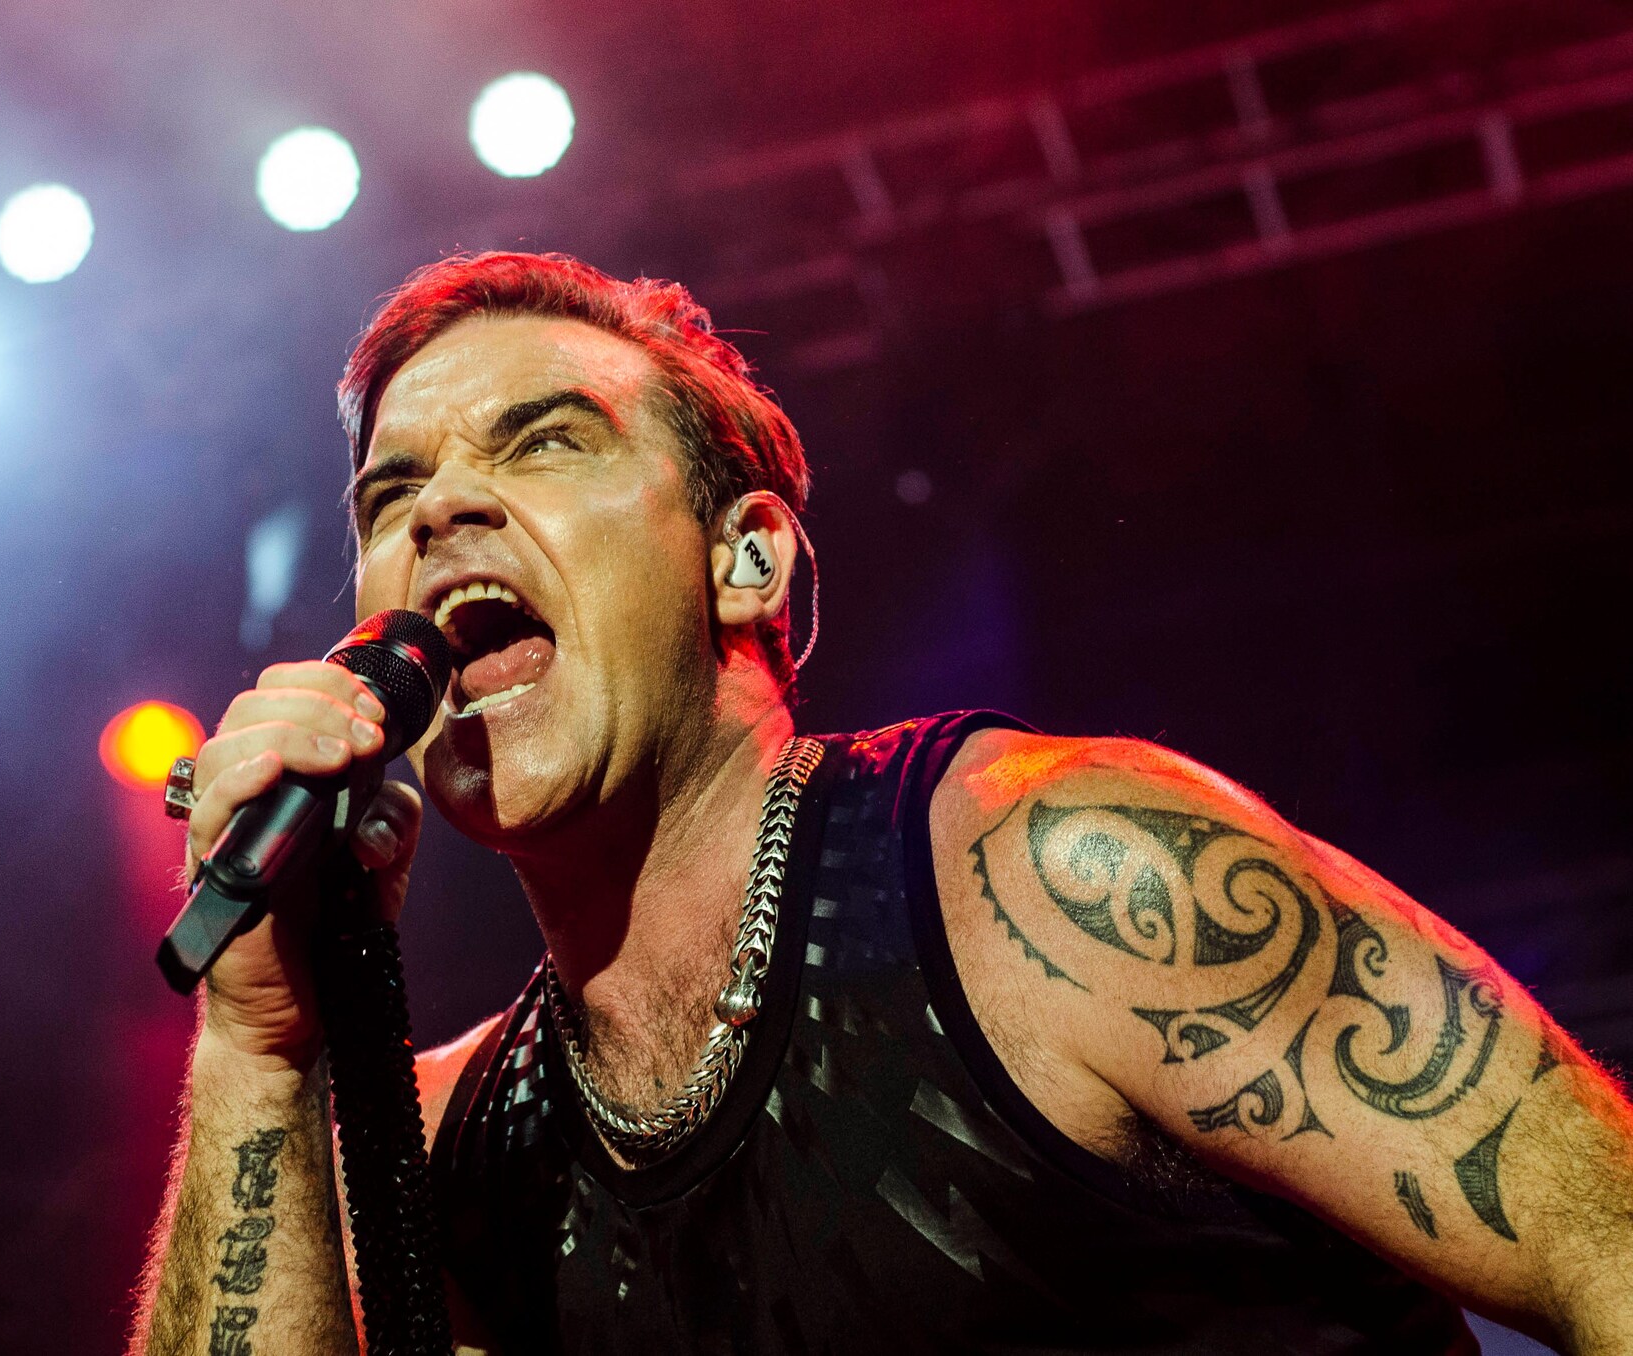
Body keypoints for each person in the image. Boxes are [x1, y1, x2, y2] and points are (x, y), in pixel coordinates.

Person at [129, 252, 1633, 1355]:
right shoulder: (449, 1149)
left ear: (747, 560)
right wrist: (260, 1044)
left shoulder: (1060, 879)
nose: (442, 510)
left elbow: (1607, 1243)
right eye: (389, 496)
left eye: (547, 442)